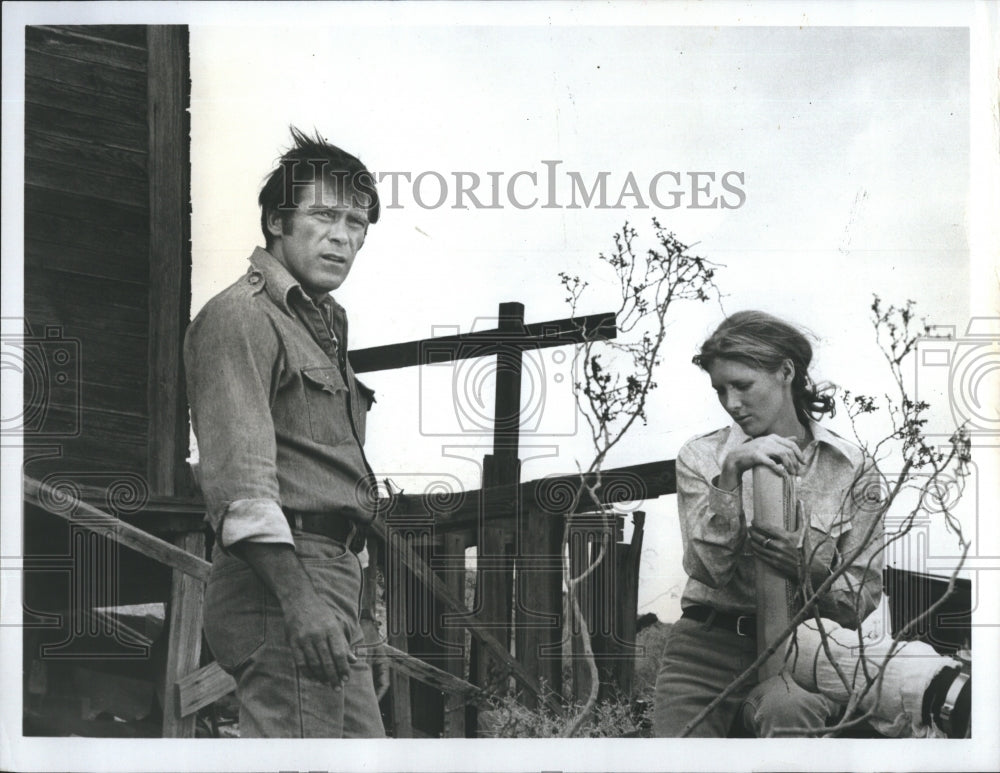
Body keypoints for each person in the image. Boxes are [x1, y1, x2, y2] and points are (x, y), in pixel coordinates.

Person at [184, 128, 387, 737]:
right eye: (323, 215)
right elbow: (242, 489)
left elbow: (336, 485)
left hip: (332, 579)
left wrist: (362, 616)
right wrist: (301, 603)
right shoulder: (242, 316)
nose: (341, 236)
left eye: (356, 223)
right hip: (282, 582)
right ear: (278, 221)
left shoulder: (321, 326)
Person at [653, 310, 884, 737]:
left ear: (786, 372)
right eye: (720, 390)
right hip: (705, 648)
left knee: (790, 714)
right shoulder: (701, 457)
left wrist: (809, 569)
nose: (731, 403)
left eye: (742, 385)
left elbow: (861, 601)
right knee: (677, 756)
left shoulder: (852, 469)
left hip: (800, 651)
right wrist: (729, 476)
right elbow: (708, 571)